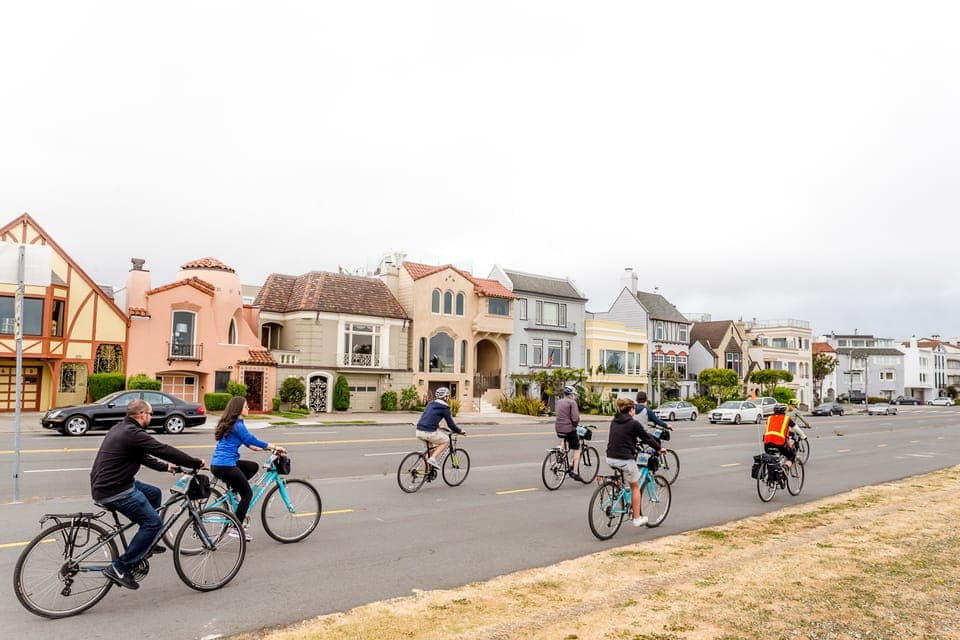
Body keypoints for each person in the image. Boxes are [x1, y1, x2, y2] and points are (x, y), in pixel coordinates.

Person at [90, 398, 207, 590]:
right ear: (142, 414)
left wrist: (167, 468)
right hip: (116, 490)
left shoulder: (120, 428)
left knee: (153, 494)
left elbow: (142, 456)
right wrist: (194, 462)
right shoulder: (133, 433)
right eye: (151, 414)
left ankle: (146, 542)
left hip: (109, 485)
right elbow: (164, 450)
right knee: (153, 523)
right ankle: (120, 568)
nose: (151, 418)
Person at [211, 396, 287, 541]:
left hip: (218, 465)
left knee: (252, 467)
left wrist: (262, 449)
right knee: (247, 494)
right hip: (226, 466)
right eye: (246, 406)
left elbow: (249, 443)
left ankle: (234, 491)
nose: (248, 408)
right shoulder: (238, 425)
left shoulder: (232, 424)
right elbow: (251, 439)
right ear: (239, 409)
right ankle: (236, 528)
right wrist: (274, 446)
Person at [605, 397, 666, 528]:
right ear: (631, 410)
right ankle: (637, 518)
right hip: (624, 458)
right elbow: (646, 438)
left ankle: (615, 493)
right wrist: (659, 448)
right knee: (635, 486)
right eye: (634, 409)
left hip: (610, 457)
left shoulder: (614, 421)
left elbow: (622, 436)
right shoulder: (633, 423)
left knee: (623, 477)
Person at [415, 387, 464, 467]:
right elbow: (451, 425)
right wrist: (460, 431)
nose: (449, 398)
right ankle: (433, 459)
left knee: (430, 451)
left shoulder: (430, 403)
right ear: (445, 397)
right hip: (429, 432)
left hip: (419, 431)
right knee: (446, 440)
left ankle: (423, 474)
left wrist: (438, 425)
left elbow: (427, 417)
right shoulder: (445, 408)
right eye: (448, 396)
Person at [554, 385, 583, 480]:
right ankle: (575, 471)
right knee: (577, 448)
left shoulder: (559, 401)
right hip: (569, 429)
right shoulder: (572, 402)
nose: (574, 396)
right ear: (570, 394)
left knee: (565, 439)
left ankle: (560, 455)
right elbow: (575, 418)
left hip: (558, 428)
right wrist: (575, 424)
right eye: (574, 394)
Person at [763, 403, 797, 469]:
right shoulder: (787, 418)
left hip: (766, 443)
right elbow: (796, 428)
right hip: (780, 443)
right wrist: (803, 436)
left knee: (771, 458)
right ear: (784, 411)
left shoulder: (769, 418)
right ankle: (786, 467)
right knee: (792, 455)